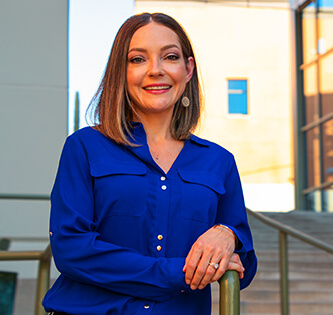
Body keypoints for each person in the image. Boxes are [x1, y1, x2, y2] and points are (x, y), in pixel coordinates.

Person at [43, 12, 258, 315]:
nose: (155, 70)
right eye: (138, 59)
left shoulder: (219, 162)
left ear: (188, 69)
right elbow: (70, 248)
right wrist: (176, 273)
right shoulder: (84, 147)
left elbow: (243, 267)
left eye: (170, 57)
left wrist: (227, 234)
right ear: (121, 71)